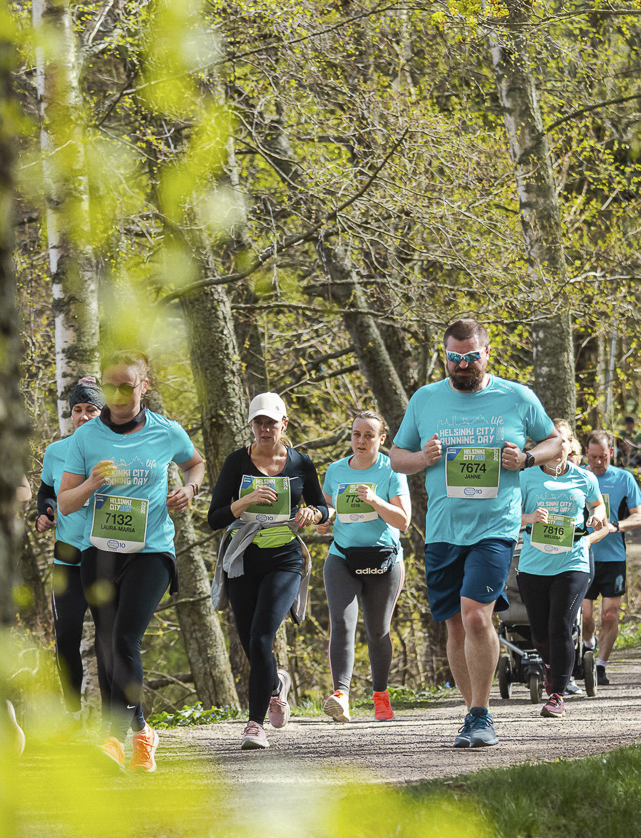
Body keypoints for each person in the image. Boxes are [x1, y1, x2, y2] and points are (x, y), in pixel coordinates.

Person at [390, 318, 562, 749]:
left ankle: (483, 714)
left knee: (474, 615)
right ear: (444, 355)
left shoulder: (516, 396)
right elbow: (395, 458)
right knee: (453, 628)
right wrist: (421, 457)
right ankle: (472, 715)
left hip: (496, 526)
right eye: (454, 358)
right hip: (444, 530)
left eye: (470, 357)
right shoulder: (426, 399)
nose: (462, 365)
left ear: (487, 353)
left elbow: (555, 443)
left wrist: (525, 459)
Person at [57, 350, 207, 772]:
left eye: (127, 384)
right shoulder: (86, 438)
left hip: (152, 551)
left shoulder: (166, 431)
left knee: (124, 639)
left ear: (144, 386)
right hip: (100, 552)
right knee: (107, 646)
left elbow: (195, 464)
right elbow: (66, 503)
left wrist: (190, 490)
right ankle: (140, 732)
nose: (118, 394)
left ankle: (113, 738)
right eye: (111, 385)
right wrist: (91, 484)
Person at [208, 392, 329, 750]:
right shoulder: (235, 463)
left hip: (285, 559)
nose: (264, 429)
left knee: (262, 637)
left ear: (284, 425)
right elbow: (214, 518)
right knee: (250, 644)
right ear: (250, 426)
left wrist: (314, 514)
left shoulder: (300, 463)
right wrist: (244, 501)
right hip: (243, 558)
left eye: (271, 423)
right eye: (258, 423)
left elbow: (321, 505)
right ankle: (275, 685)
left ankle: (254, 724)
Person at [321, 411, 411, 723]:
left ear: (381, 439)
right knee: (342, 624)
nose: (361, 440)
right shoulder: (335, 470)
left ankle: (380, 696)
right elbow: (328, 510)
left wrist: (375, 500)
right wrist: (322, 520)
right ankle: (341, 696)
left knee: (377, 631)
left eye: (369, 435)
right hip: (343, 557)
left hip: (384, 561)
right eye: (357, 434)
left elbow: (404, 521)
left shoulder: (391, 469)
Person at [518, 425, 606, 718]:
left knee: (561, 626)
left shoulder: (584, 478)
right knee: (540, 635)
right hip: (533, 565)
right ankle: (549, 667)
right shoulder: (524, 477)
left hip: (573, 562)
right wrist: (529, 517)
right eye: (550, 442)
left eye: (563, 441)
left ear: (570, 447)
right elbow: (505, 516)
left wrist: (596, 518)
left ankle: (557, 694)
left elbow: (598, 506)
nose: (557, 447)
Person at [36, 378, 105, 709]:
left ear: (103, 414)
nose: (83, 416)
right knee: (66, 639)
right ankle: (71, 714)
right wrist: (45, 512)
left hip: (107, 555)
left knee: (112, 639)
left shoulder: (116, 452)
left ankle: (117, 716)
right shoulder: (56, 452)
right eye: (78, 410)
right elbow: (46, 491)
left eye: (91, 409)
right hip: (67, 556)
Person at [581, 429, 641, 686]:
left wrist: (614, 527)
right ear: (587, 453)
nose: (598, 462)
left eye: (603, 457)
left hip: (613, 556)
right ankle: (588, 645)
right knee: (585, 616)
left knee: (609, 614)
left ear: (611, 453)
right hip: (582, 555)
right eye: (594, 456)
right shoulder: (578, 476)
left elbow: (640, 517)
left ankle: (600, 665)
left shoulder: (624, 478)